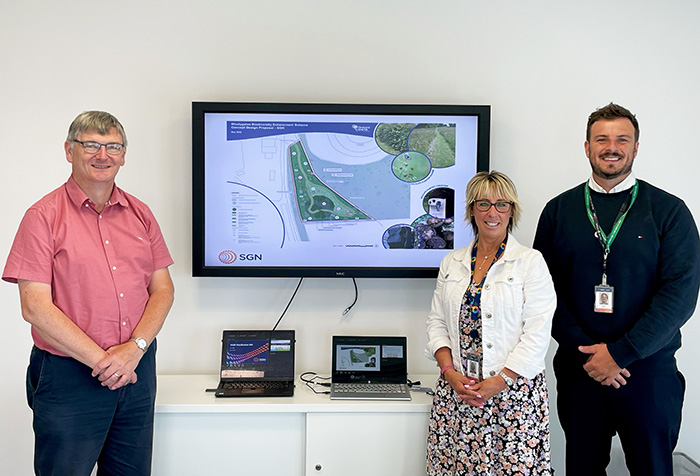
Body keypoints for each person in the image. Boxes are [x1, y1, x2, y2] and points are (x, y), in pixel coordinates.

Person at [3, 111, 175, 476]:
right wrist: (105, 362)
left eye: (113, 146)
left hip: (136, 370)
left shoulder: (140, 214)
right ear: (69, 150)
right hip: (70, 376)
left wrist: (134, 350)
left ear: (124, 155)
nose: (103, 155)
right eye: (91, 145)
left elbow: (162, 289)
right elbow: (34, 307)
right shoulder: (42, 216)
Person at [533, 103, 700, 475]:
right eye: (602, 139)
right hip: (582, 371)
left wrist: (622, 353)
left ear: (636, 147)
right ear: (587, 147)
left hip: (648, 372)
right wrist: (592, 357)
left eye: (622, 139)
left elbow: (680, 295)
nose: (612, 147)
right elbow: (544, 293)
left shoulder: (669, 211)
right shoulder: (558, 211)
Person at [425, 171, 556, 475]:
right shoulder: (452, 263)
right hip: (459, 394)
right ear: (471, 209)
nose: (492, 212)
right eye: (483, 204)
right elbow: (437, 324)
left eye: (501, 204)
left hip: (512, 398)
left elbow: (537, 333)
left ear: (512, 211)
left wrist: (498, 383)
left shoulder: (530, 262)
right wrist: (450, 374)